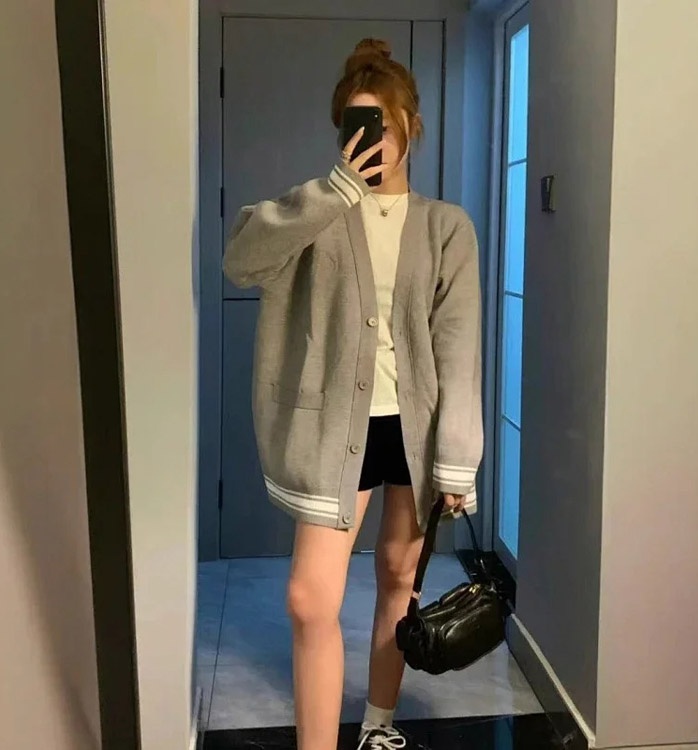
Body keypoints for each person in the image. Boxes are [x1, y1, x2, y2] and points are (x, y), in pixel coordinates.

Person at [223, 38, 483, 750]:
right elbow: (241, 259)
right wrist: (334, 190)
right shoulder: (318, 213)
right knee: (310, 599)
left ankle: (378, 725)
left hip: (417, 428)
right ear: (342, 132)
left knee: (399, 575)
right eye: (359, 126)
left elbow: (459, 348)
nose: (376, 142)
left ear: (412, 128)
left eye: (387, 126)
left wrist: (458, 458)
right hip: (339, 427)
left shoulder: (446, 227)